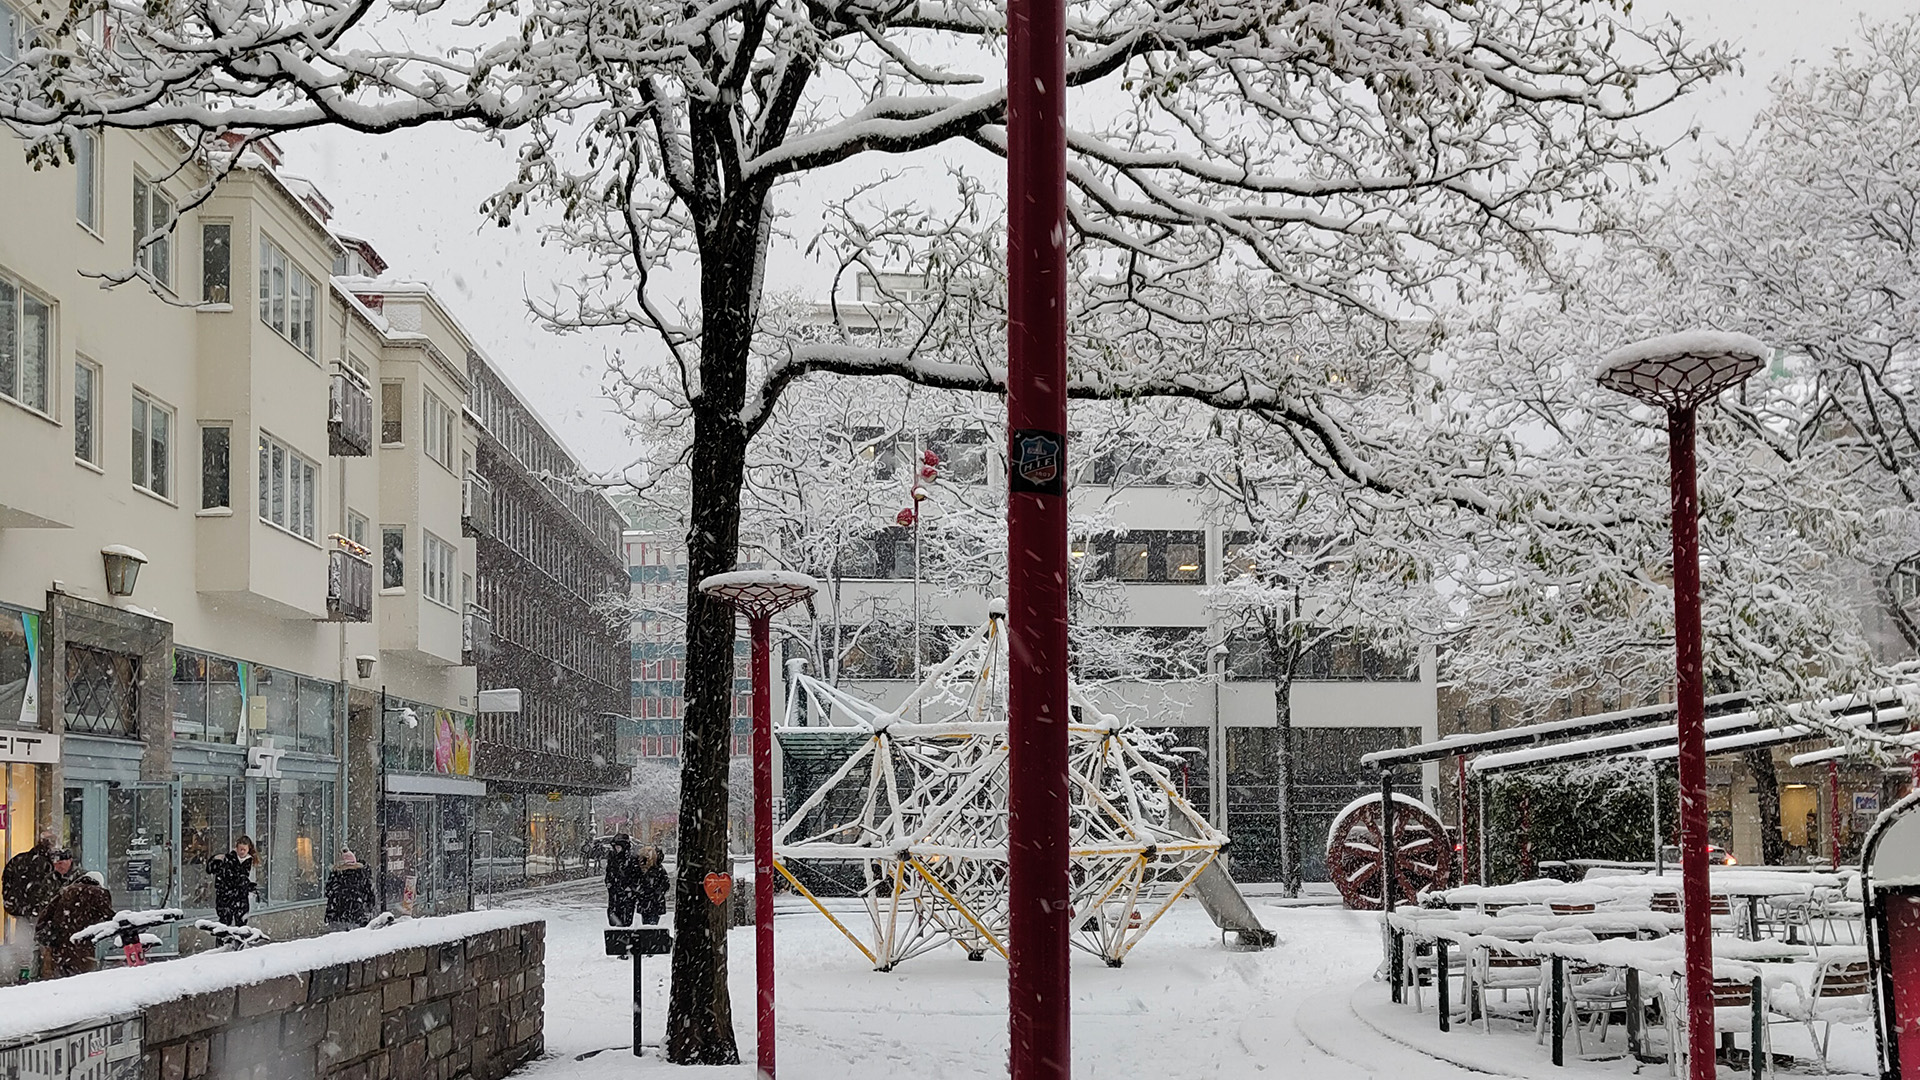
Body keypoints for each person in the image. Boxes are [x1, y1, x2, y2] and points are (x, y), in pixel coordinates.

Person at [36, 870, 113, 978]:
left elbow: (45, 914)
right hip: (82, 942)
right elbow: (109, 916)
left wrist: (44, 933)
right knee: (81, 978)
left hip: (60, 942)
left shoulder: (66, 890)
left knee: (60, 977)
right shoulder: (99, 893)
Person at [2, 833, 60, 925]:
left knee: (23, 936)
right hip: (40, 914)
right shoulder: (49, 864)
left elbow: (7, 883)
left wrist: (14, 906)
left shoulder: (19, 860)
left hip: (22, 912)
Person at [207, 836, 257, 927]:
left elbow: (240, 877)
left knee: (241, 925)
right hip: (226, 897)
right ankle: (225, 940)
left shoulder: (248, 861)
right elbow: (225, 876)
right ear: (236, 848)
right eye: (240, 849)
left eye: (244, 850)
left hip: (240, 898)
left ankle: (240, 940)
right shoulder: (227, 859)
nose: (242, 852)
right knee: (224, 925)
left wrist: (247, 886)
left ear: (248, 849)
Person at [324, 849, 377, 930]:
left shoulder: (336, 876)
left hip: (338, 917)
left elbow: (328, 893)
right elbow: (370, 897)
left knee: (338, 939)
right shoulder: (361, 876)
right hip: (356, 916)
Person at [604, 834, 642, 927]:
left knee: (626, 919)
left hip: (627, 894)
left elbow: (636, 876)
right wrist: (609, 882)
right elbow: (609, 872)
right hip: (615, 893)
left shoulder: (632, 859)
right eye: (615, 847)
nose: (617, 849)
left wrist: (630, 887)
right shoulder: (613, 858)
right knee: (613, 917)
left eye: (618, 847)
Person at [635, 846, 669, 926]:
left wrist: (656, 892)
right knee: (647, 924)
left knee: (651, 924)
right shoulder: (641, 870)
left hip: (653, 902)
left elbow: (665, 884)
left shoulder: (658, 870)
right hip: (648, 902)